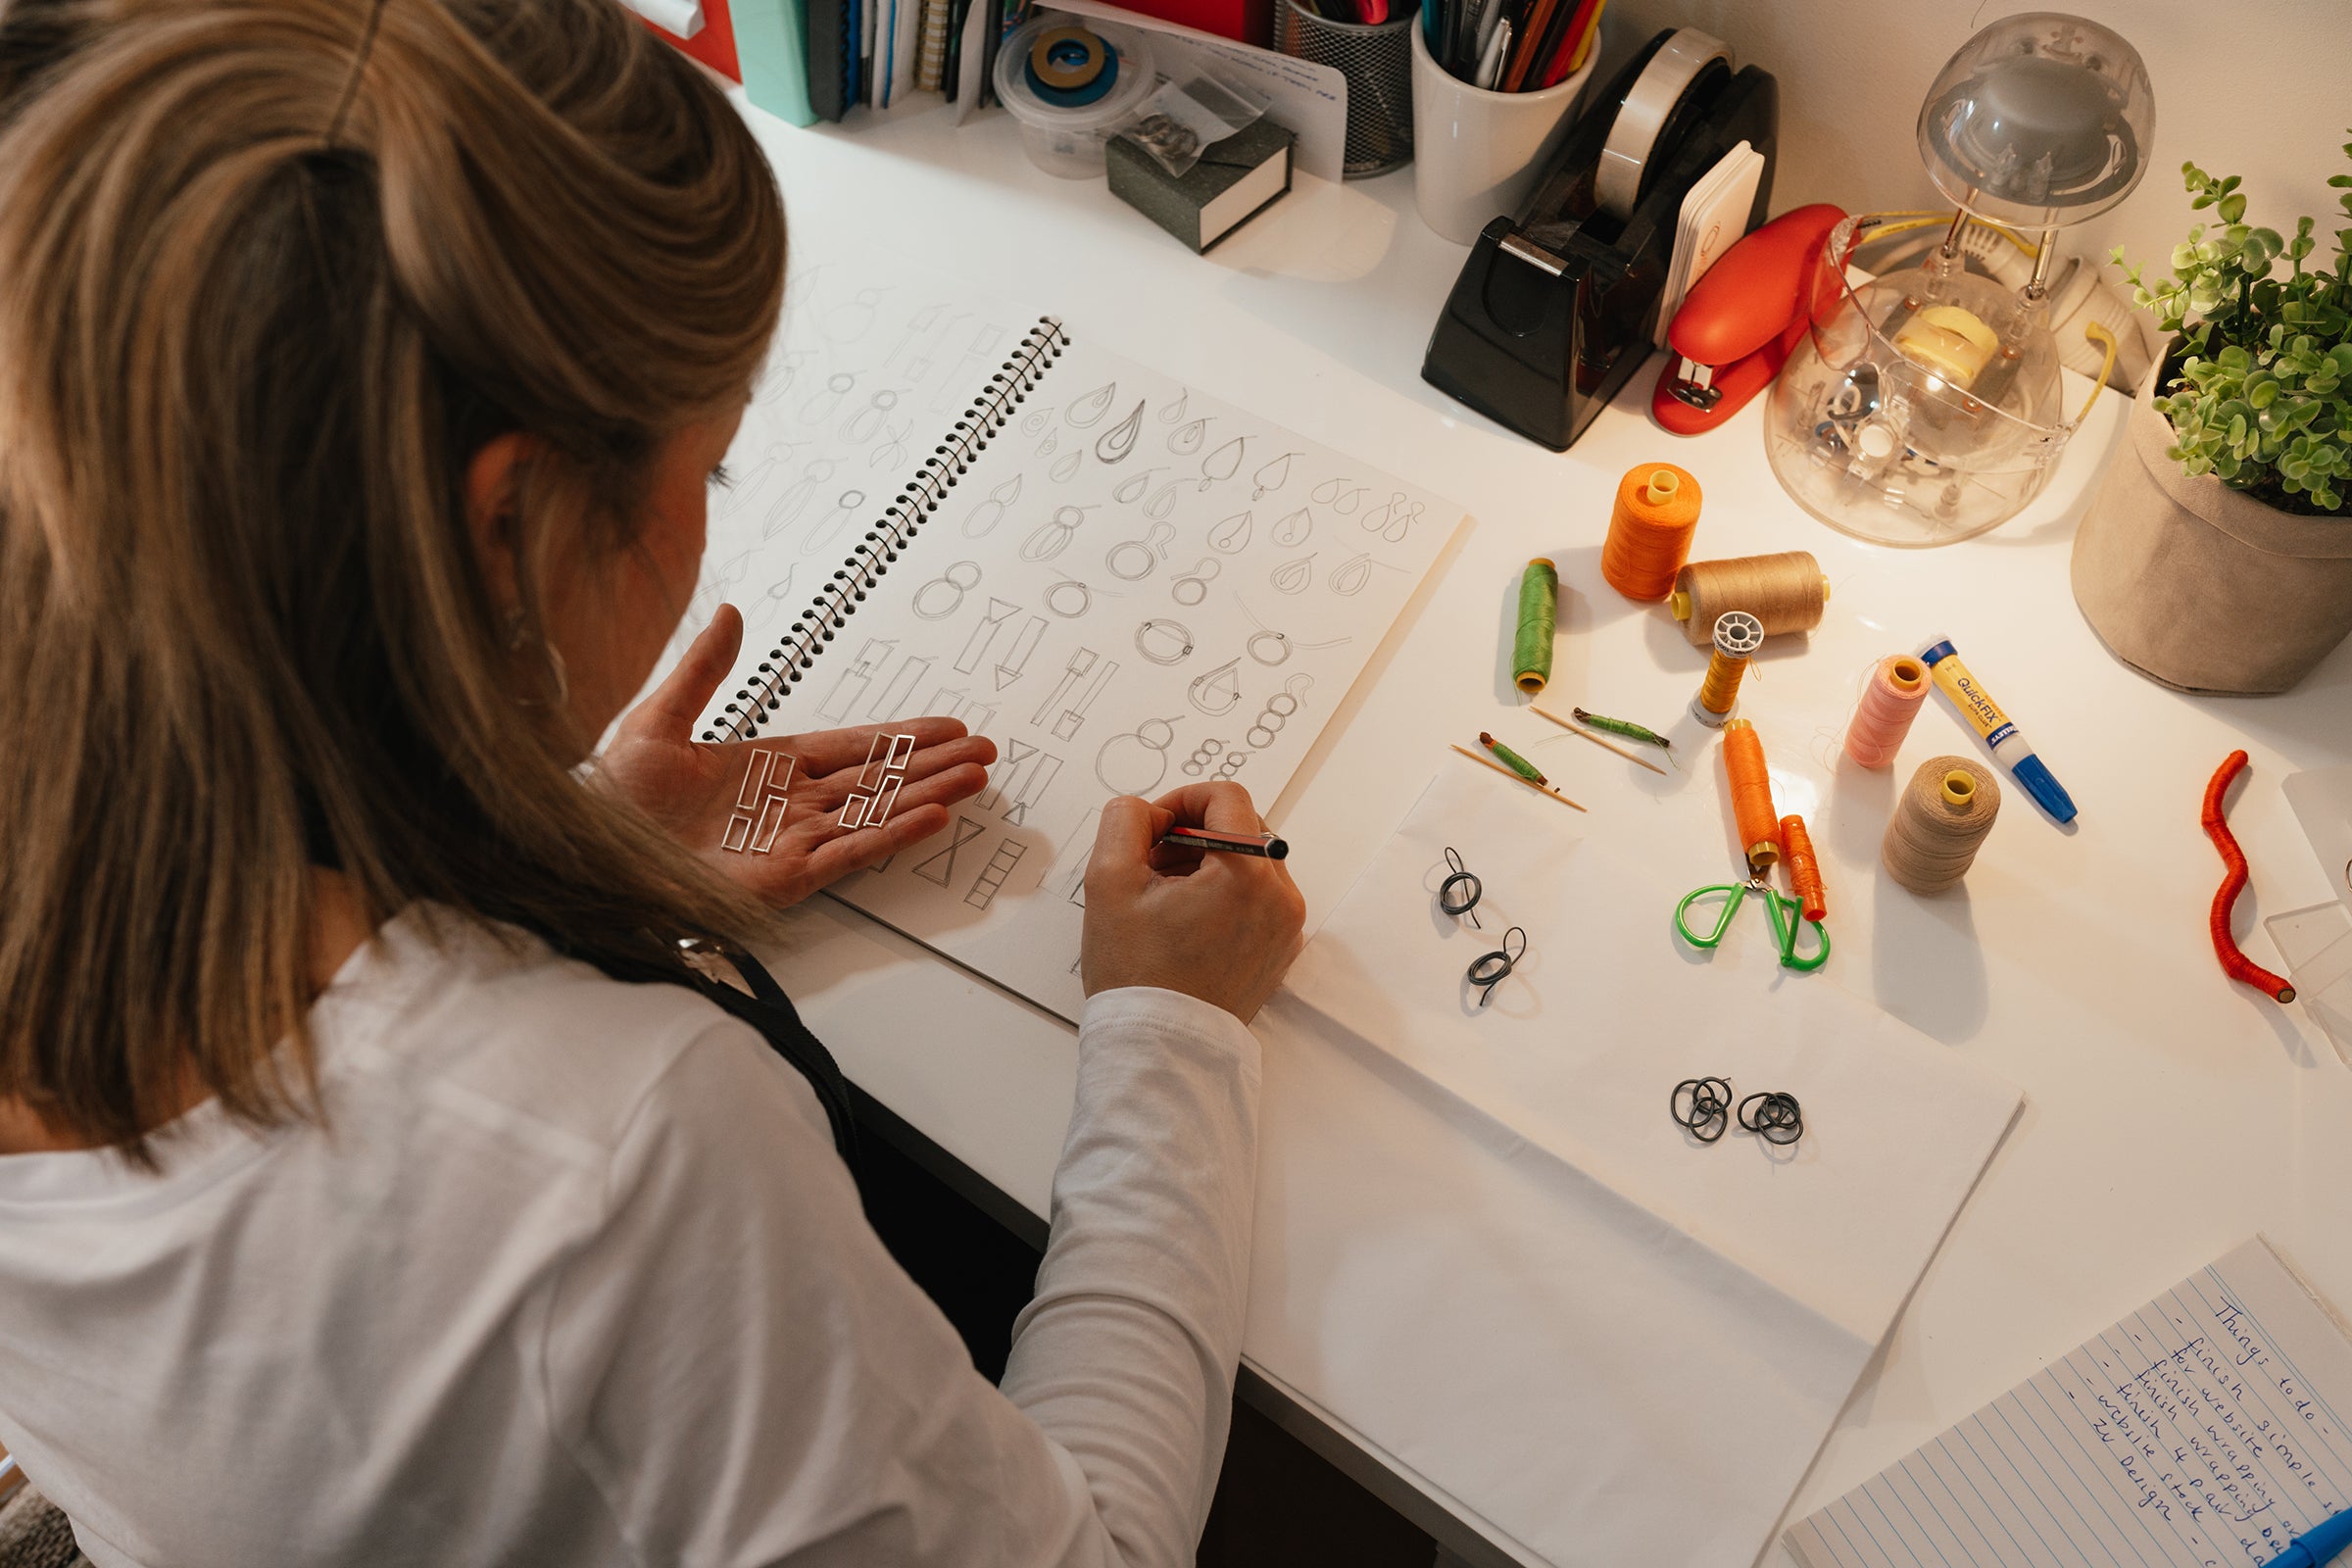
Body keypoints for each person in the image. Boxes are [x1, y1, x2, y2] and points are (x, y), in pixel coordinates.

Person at [0, 0, 1306, 1563]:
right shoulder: (616, 1157)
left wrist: (564, 862)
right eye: (717, 465)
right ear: (505, 523)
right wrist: (1174, 1035)